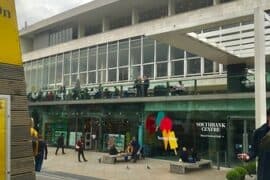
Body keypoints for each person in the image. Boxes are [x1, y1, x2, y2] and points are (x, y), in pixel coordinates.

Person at [238, 109, 270, 180]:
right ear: (268, 117)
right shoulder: (259, 132)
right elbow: (254, 150)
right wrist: (247, 156)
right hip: (265, 172)